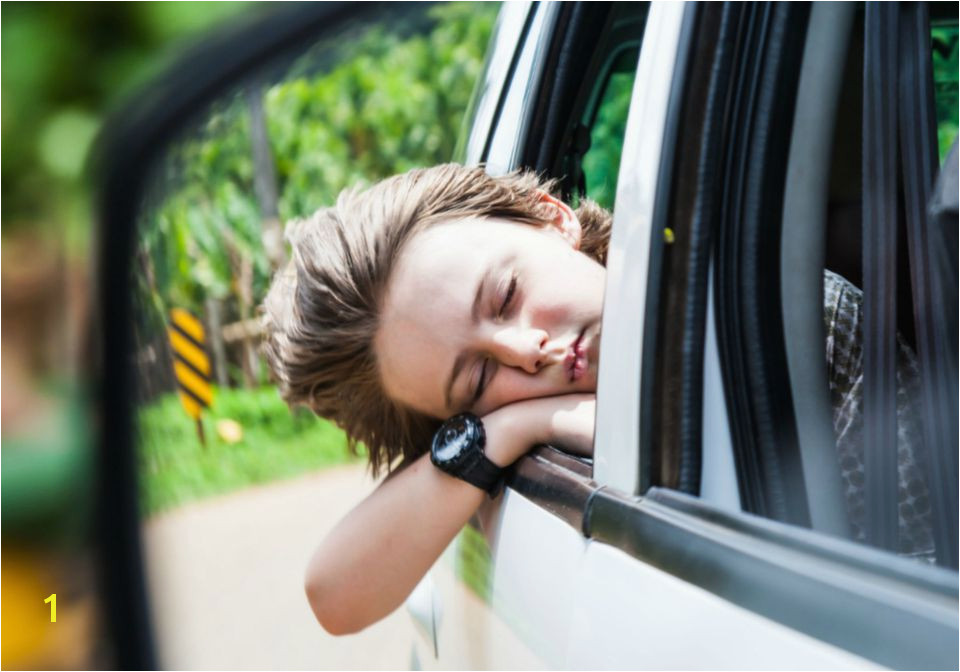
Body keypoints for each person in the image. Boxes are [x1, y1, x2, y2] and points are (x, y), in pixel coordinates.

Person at [260, 163, 932, 635]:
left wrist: (518, 413)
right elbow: (333, 594)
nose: (527, 350)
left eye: (504, 297)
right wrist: (510, 432)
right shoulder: (501, 440)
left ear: (551, 220)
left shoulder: (781, 330)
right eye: (477, 382)